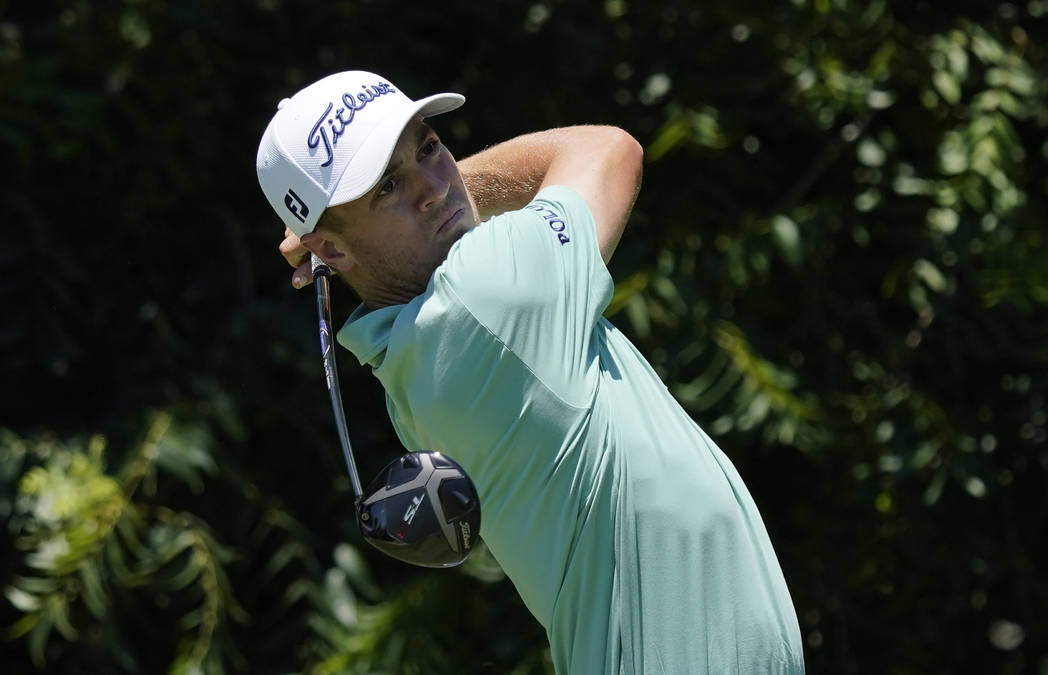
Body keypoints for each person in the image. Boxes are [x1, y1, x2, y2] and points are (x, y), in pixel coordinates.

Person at [257, 70, 804, 674]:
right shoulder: (485, 298)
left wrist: (364, 216)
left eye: (430, 148)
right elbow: (606, 150)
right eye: (387, 186)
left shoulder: (410, 360)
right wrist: (469, 186)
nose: (435, 188)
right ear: (328, 250)